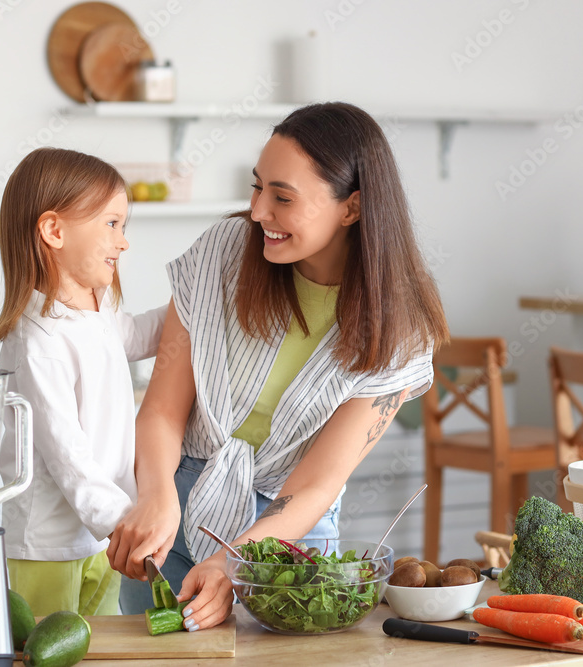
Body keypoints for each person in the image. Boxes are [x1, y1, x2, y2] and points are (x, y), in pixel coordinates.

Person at [109, 102, 449, 629]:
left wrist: (233, 560)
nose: (258, 211)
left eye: (282, 197)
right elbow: (161, 412)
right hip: (174, 502)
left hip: (289, 536)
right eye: (257, 187)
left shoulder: (400, 331)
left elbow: (316, 484)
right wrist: (154, 498)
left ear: (352, 208)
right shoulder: (222, 253)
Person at [0, 147, 166, 616]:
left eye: (123, 226)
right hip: (46, 547)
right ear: (53, 230)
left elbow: (135, 336)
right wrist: (123, 525)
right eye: (111, 224)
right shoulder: (37, 343)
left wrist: (193, 305)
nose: (123, 242)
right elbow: (67, 455)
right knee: (40, 653)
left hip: (97, 539)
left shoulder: (99, 308)